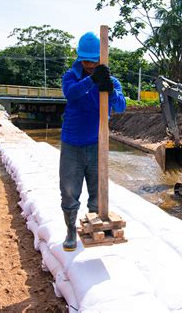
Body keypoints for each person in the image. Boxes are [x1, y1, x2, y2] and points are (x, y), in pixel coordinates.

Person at [60, 32, 126, 251]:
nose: (89, 64)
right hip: (72, 144)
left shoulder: (110, 80)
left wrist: (108, 89)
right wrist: (91, 80)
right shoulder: (71, 76)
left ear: (101, 58)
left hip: (98, 144)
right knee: (69, 191)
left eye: (93, 60)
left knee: (97, 191)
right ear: (80, 58)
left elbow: (120, 106)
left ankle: (96, 226)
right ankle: (70, 231)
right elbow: (71, 94)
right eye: (86, 60)